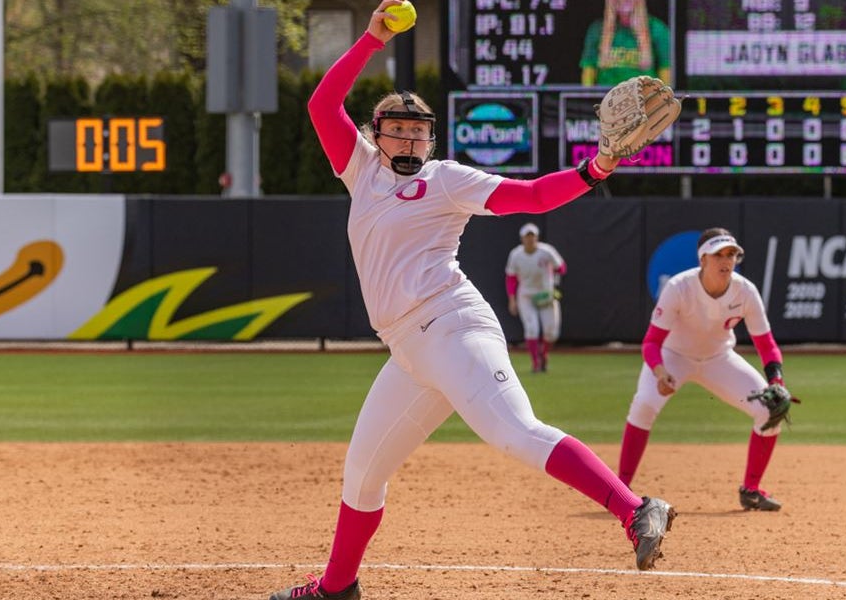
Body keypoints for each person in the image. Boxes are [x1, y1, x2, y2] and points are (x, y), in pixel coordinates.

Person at [272, 3, 676, 598]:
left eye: (418, 130)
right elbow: (319, 104)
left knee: (514, 431)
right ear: (373, 134)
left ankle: (636, 508)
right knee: (361, 476)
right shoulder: (360, 170)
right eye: (397, 129)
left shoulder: (445, 179)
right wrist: (370, 39)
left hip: (452, 326)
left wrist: (594, 169)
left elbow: (533, 197)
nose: (409, 137)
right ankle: (336, 589)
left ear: (431, 138)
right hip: (409, 352)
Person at [617, 228, 790, 512]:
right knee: (644, 404)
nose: (726, 260)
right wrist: (660, 372)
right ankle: (620, 488)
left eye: (732, 254)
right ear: (703, 260)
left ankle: (751, 490)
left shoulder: (745, 291)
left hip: (718, 358)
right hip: (673, 356)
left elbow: (767, 345)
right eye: (718, 254)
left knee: (770, 410)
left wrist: (777, 380)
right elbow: (651, 342)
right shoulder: (679, 287)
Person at [505, 222, 566, 373]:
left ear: (537, 237)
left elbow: (562, 268)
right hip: (526, 295)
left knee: (551, 332)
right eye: (527, 237)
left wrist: (554, 273)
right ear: (522, 238)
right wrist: (512, 299)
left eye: (532, 236)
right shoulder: (516, 254)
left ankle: (544, 354)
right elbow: (511, 278)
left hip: (545, 294)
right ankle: (535, 362)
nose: (530, 240)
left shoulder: (546, 252)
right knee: (531, 329)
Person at [580, 0, 672, 87]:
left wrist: (663, 99)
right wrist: (589, 98)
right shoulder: (596, 29)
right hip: (607, 98)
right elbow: (589, 69)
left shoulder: (657, 28)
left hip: (644, 98)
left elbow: (665, 68)